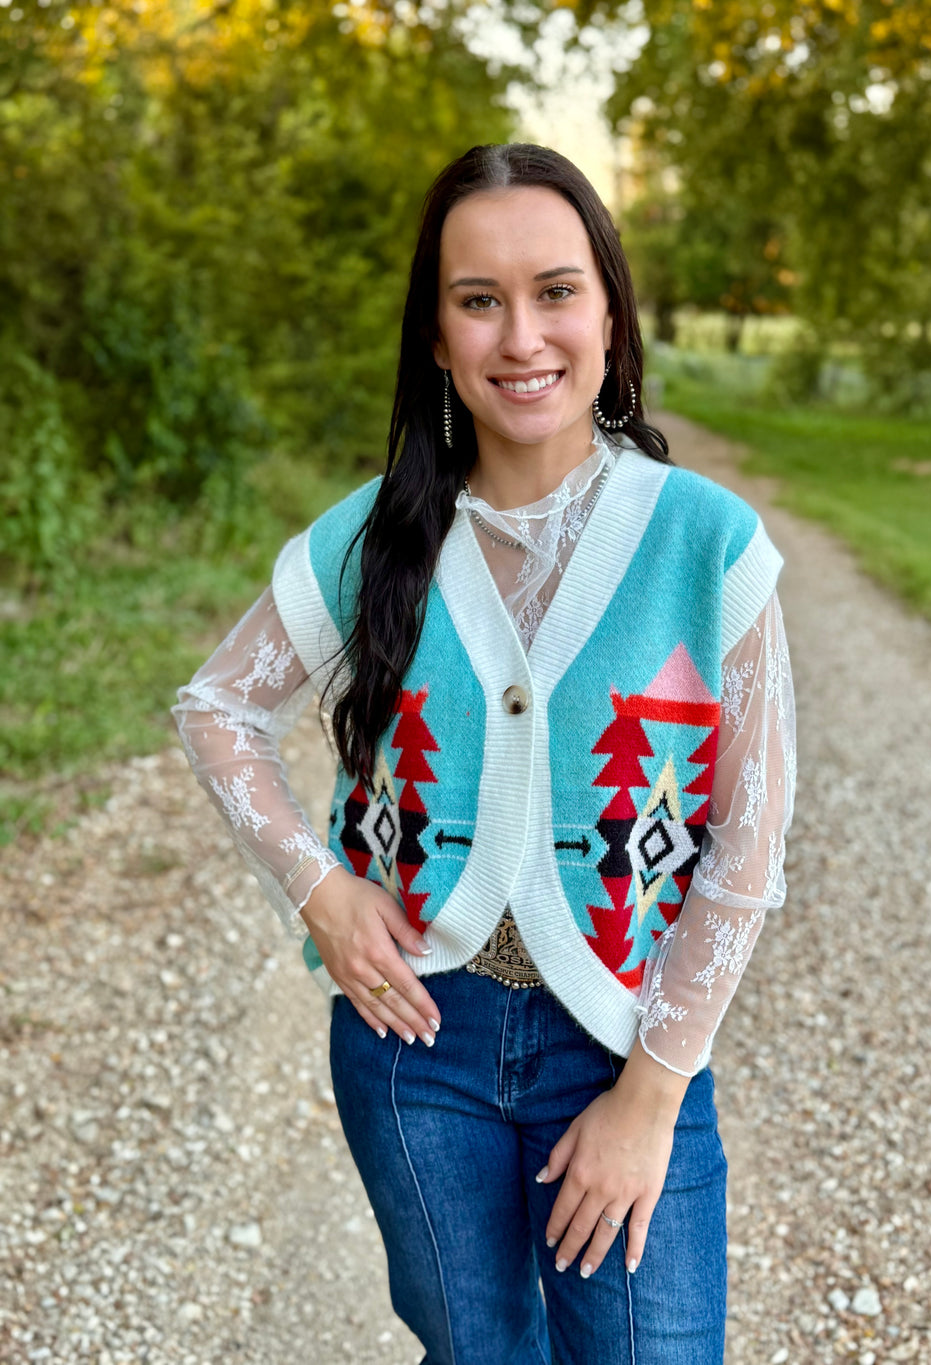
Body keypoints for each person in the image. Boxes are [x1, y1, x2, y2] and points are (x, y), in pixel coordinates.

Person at [173, 142, 796, 1365]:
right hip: (415, 1048)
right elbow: (217, 711)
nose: (522, 337)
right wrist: (323, 890)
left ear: (610, 312)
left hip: (621, 1043)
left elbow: (747, 840)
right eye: (479, 300)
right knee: (476, 1352)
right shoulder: (374, 534)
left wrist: (651, 1096)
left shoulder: (704, 544)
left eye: (556, 290)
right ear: (439, 335)